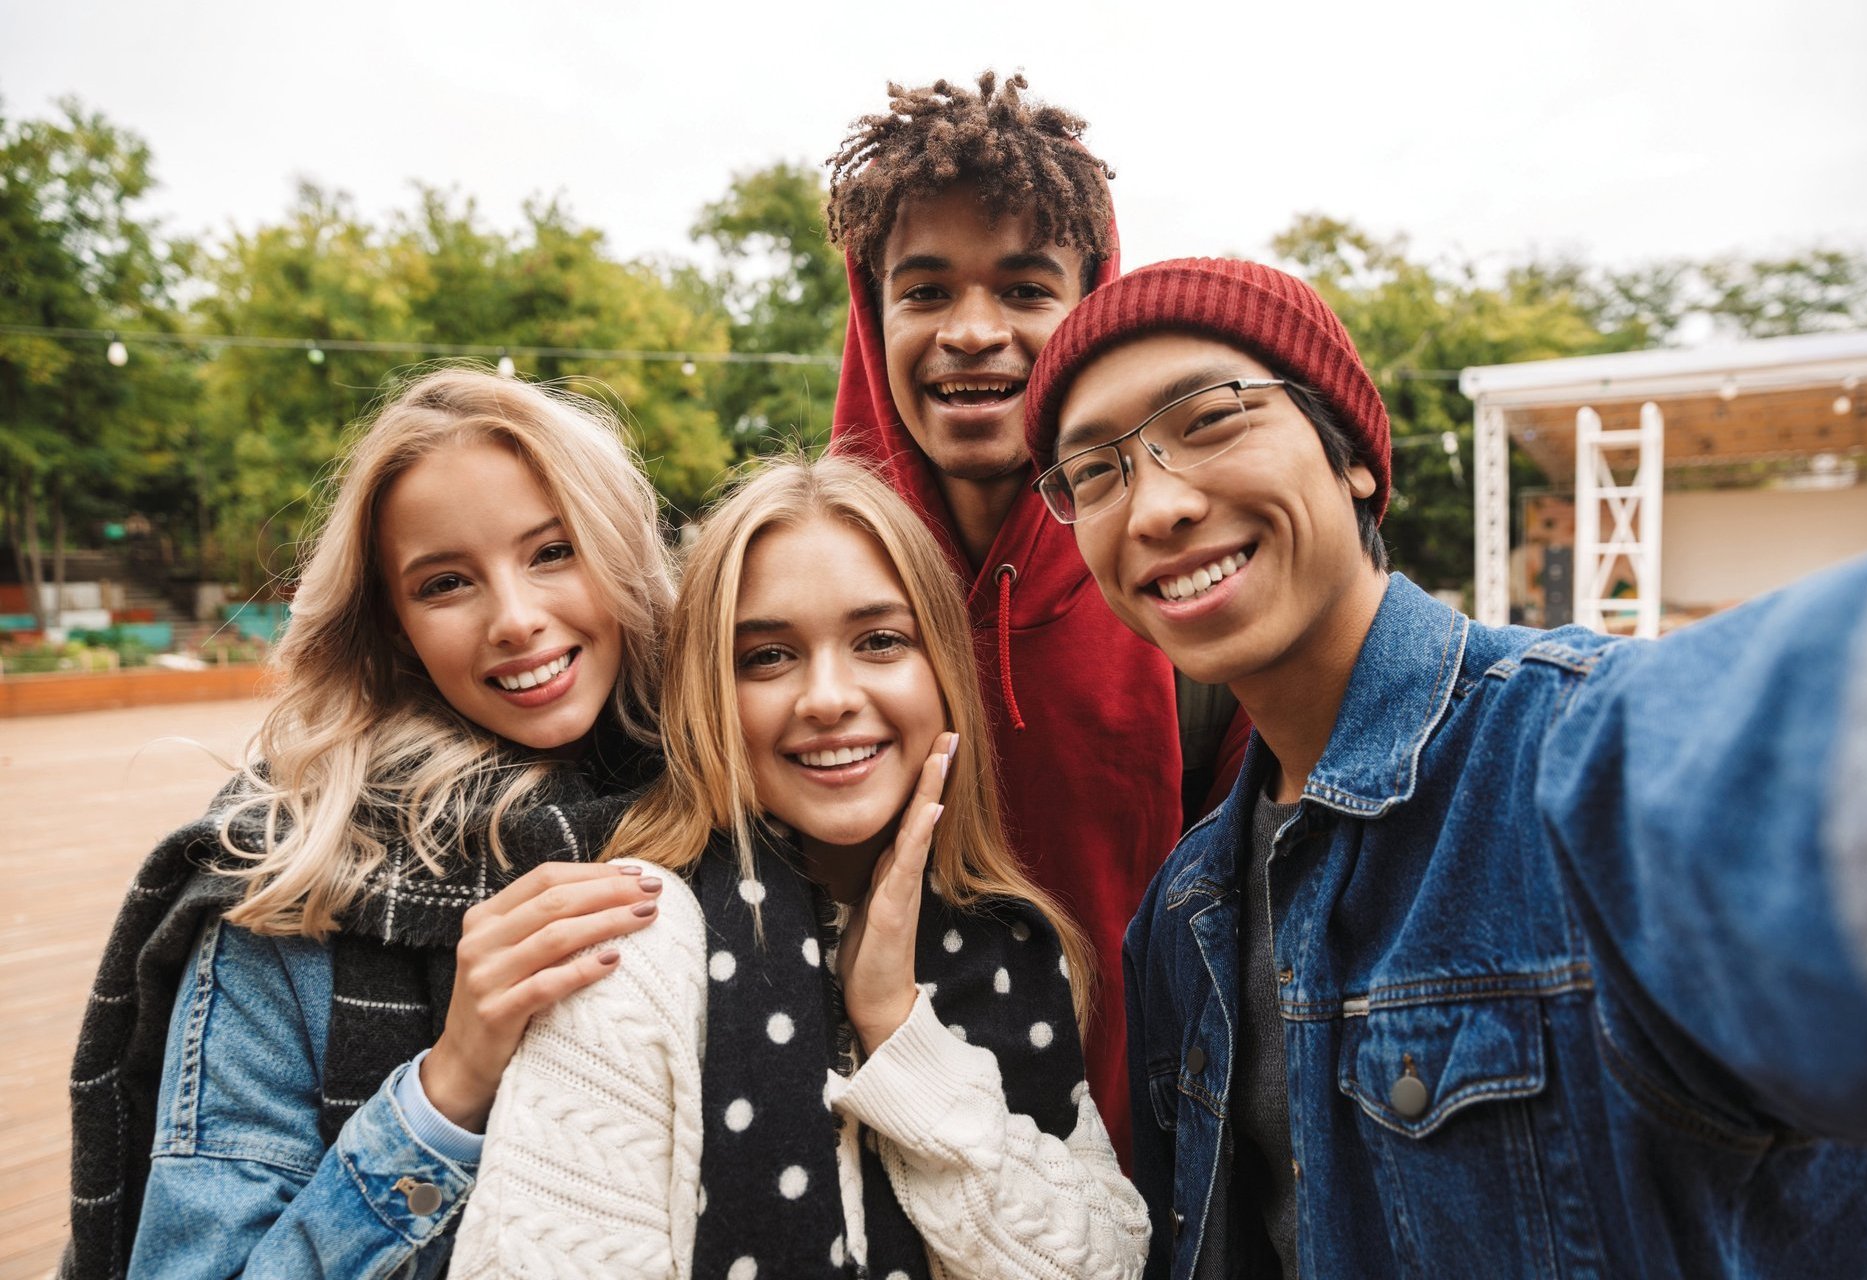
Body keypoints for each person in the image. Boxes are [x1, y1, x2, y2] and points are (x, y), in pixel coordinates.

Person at [1019, 256, 1867, 1278]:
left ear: (1352, 455)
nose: (1154, 508)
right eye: (1095, 471)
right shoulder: (1182, 915)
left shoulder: (1573, 764)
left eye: (1213, 416)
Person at [450, 456, 1150, 1279]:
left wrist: (897, 1029)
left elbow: (1108, 1257)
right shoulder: (631, 946)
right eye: (768, 657)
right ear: (710, 694)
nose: (827, 696)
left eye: (880, 641)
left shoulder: (1009, 947)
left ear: (945, 673)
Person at [63, 369, 679, 1278]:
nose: (516, 619)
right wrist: (449, 1088)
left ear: (623, 554)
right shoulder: (294, 883)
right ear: (394, 629)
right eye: (445, 584)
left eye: (553, 552)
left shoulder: (726, 812)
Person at [825, 73, 1248, 1165]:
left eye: (1023, 289)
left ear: (1090, 310)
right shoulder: (794, 590)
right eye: (924, 291)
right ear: (872, 324)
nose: (972, 331)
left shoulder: (1183, 587)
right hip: (854, 1174)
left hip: (1148, 1173)